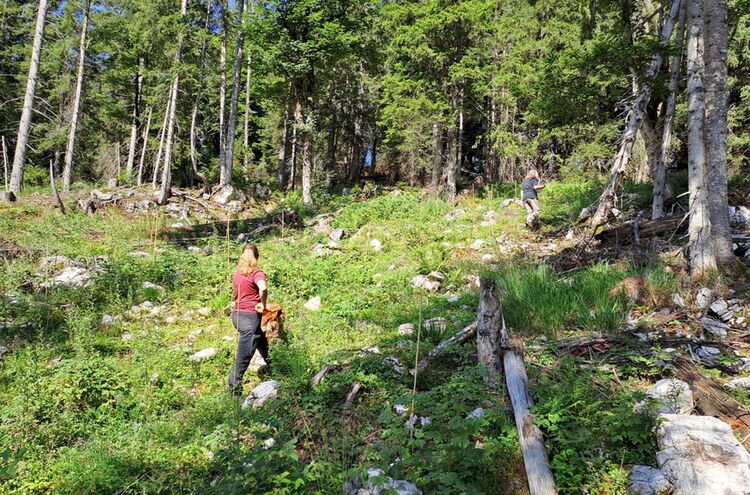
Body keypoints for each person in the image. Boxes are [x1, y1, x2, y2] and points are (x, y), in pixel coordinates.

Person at [228, 243, 270, 396]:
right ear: (256, 257)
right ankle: (234, 388)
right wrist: (263, 304)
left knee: (261, 341)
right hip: (250, 317)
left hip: (237, 315)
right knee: (245, 352)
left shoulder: (238, 273)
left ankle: (276, 367)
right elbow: (263, 288)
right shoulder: (256, 273)